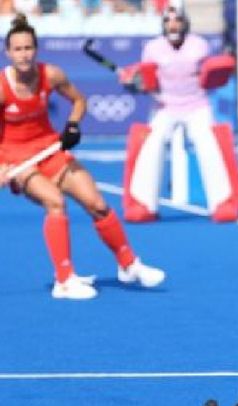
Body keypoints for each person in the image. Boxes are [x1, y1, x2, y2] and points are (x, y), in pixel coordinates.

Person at [0, 14, 165, 300]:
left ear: (35, 49)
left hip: (50, 148)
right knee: (55, 202)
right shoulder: (2, 88)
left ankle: (129, 265)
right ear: (8, 53)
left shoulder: (50, 74)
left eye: (28, 48)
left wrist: (73, 125)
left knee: (97, 204)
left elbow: (79, 101)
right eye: (18, 49)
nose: (24, 55)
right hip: (16, 158)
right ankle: (64, 280)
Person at [121, 0, 238, 223]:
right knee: (151, 144)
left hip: (196, 105)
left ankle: (223, 202)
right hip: (165, 106)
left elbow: (210, 77)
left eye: (177, 20)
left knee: (209, 144)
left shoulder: (199, 45)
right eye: (168, 21)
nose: (173, 25)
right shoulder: (152, 48)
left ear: (185, 23)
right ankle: (142, 203)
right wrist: (134, 83)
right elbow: (145, 81)